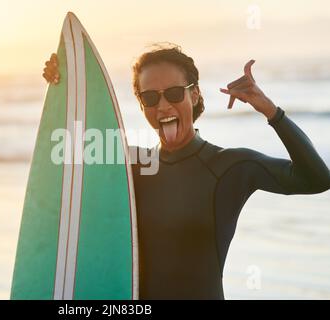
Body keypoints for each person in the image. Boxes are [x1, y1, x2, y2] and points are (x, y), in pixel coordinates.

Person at [42, 43, 330, 299]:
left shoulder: (230, 166)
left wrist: (270, 110)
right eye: (151, 98)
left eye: (175, 93)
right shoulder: (128, 164)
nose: (164, 105)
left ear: (194, 95)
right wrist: (61, 87)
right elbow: (63, 163)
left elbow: (318, 179)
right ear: (142, 105)